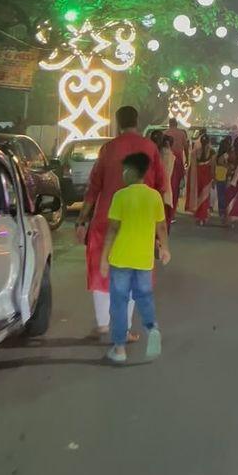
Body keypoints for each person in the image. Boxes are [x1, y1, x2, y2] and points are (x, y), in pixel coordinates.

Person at [77, 105, 166, 339]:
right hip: (139, 220)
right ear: (137, 121)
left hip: (105, 218)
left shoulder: (108, 149)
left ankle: (103, 323)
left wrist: (81, 220)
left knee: (100, 268)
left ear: (117, 123)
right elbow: (161, 186)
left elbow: (93, 187)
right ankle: (124, 328)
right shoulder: (150, 148)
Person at [99, 151, 170, 365]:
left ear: (132, 172)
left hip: (121, 259)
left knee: (119, 303)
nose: (122, 174)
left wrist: (104, 258)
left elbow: (112, 230)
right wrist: (165, 248)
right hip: (143, 259)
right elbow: (162, 227)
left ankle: (119, 348)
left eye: (124, 170)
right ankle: (152, 327)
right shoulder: (154, 197)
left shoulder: (120, 196)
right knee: (144, 297)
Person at [186, 131, 216, 225]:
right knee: (205, 197)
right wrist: (213, 178)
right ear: (208, 142)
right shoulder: (212, 152)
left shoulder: (195, 152)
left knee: (198, 194)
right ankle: (203, 217)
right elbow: (213, 166)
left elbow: (191, 166)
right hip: (206, 175)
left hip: (197, 175)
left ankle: (199, 216)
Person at [150, 130, 176, 228]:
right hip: (165, 194)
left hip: (150, 193)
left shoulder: (149, 153)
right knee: (162, 225)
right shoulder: (169, 155)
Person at [165, 116, 190, 212]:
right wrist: (187, 159)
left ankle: (167, 206)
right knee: (176, 187)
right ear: (176, 124)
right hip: (178, 162)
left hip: (167, 162)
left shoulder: (165, 133)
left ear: (170, 124)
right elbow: (186, 148)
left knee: (168, 185)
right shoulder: (181, 133)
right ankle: (173, 208)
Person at [214, 135, 232, 222]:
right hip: (224, 175)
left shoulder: (217, 154)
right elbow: (222, 163)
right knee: (224, 195)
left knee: (220, 194)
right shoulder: (225, 155)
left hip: (218, 175)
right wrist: (228, 166)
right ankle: (224, 212)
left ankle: (221, 212)